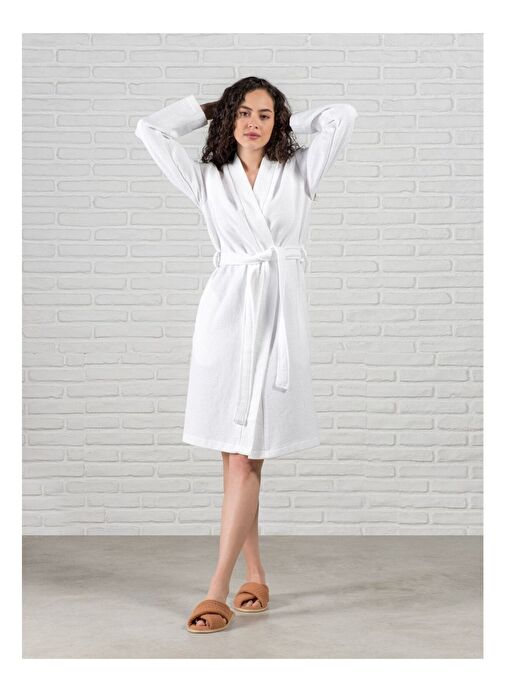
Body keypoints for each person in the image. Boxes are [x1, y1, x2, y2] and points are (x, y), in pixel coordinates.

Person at [135, 76, 358, 633]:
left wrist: (287, 116)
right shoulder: (207, 178)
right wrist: (210, 107)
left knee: (245, 456)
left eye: (264, 115)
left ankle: (216, 588)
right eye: (243, 113)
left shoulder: (300, 170)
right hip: (226, 318)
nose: (253, 124)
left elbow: (344, 115)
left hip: (277, 318)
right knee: (234, 455)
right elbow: (150, 130)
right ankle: (254, 574)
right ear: (228, 120)